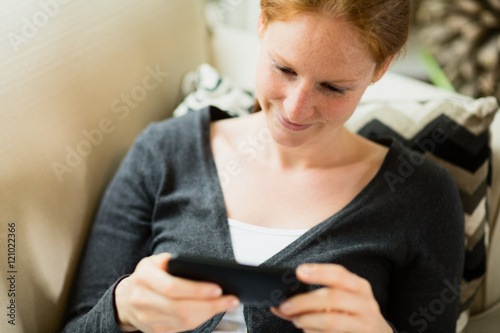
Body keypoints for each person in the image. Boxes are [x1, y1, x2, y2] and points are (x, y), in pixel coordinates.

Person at [62, 0, 465, 332]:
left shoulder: (421, 194)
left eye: (333, 87)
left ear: (381, 68)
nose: (295, 108)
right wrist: (123, 308)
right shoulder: (164, 152)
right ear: (260, 21)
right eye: (283, 68)